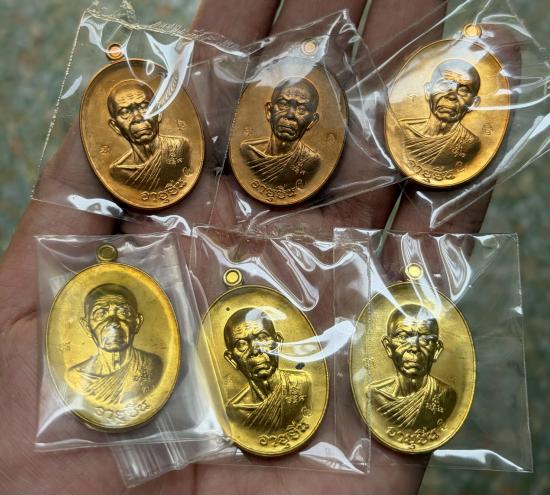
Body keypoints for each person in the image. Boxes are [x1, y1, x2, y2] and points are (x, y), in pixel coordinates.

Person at [66, 283, 163, 405]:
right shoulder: (76, 378)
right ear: (87, 327)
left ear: (137, 323)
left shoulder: (152, 366)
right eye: (101, 314)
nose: (113, 323)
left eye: (123, 312)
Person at [368, 304, 456, 430]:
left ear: (436, 350)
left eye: (425, 339)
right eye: (403, 337)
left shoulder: (446, 396)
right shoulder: (374, 396)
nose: (415, 348)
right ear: (388, 347)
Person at [223, 308, 310, 433]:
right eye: (242, 344)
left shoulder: (304, 384)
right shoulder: (236, 410)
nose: (255, 350)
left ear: (278, 344)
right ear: (232, 359)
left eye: (262, 338)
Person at [107, 79, 189, 191]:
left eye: (144, 107)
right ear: (115, 126)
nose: (138, 118)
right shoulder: (118, 172)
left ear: (159, 113)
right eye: (125, 112)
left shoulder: (181, 147)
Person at [400, 59, 481, 170]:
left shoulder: (470, 144)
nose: (451, 96)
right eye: (444, 85)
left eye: (463, 90)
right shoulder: (401, 131)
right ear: (428, 91)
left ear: (474, 103)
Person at [240, 77, 320, 189]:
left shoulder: (311, 162)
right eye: (283, 104)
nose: (290, 115)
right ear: (269, 111)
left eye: (301, 109)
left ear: (312, 121)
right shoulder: (247, 152)